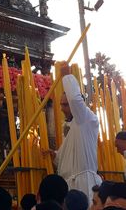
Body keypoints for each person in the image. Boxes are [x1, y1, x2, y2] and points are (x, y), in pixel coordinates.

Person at [44, 62, 102, 202]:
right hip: (69, 186)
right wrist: (55, 155)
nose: (62, 109)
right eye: (61, 105)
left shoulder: (85, 118)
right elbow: (67, 157)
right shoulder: (71, 126)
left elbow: (75, 99)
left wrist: (67, 76)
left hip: (84, 184)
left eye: (65, 104)